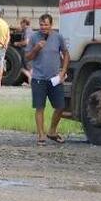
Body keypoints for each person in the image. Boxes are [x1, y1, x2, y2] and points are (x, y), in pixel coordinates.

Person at [25, 14, 69, 146]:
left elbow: (66, 54)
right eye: (41, 24)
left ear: (51, 25)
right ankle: (41, 135)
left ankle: (52, 131)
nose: (43, 27)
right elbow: (28, 57)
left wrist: (63, 71)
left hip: (55, 79)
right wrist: (37, 48)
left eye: (46, 24)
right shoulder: (34, 37)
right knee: (40, 107)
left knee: (60, 107)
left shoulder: (58, 37)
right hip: (39, 78)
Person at [14, 17, 34, 83]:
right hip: (28, 51)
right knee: (24, 67)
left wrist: (17, 43)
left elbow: (26, 42)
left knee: (28, 68)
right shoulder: (28, 30)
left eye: (21, 23)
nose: (20, 24)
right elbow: (20, 29)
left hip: (27, 52)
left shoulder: (27, 31)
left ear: (25, 23)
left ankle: (31, 80)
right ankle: (31, 80)